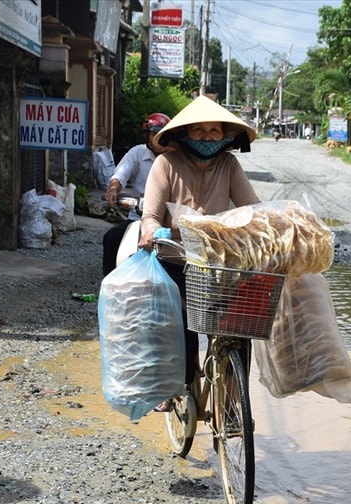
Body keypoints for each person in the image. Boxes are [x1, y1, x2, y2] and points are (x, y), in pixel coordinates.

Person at [138, 95, 260, 410]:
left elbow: (254, 209)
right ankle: (173, 384)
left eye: (214, 131)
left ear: (225, 135)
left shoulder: (229, 164)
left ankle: (232, 404)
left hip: (217, 265)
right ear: (186, 133)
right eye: (200, 130)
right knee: (179, 327)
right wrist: (151, 232)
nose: (207, 137)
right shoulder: (165, 164)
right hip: (175, 259)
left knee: (239, 328)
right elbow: (150, 215)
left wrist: (271, 231)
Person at [100, 112, 170, 276]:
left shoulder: (176, 157)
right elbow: (120, 174)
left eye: (163, 135)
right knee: (111, 238)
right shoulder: (138, 153)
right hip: (138, 216)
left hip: (167, 221)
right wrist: (113, 190)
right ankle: (110, 283)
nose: (159, 139)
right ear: (147, 136)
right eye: (155, 134)